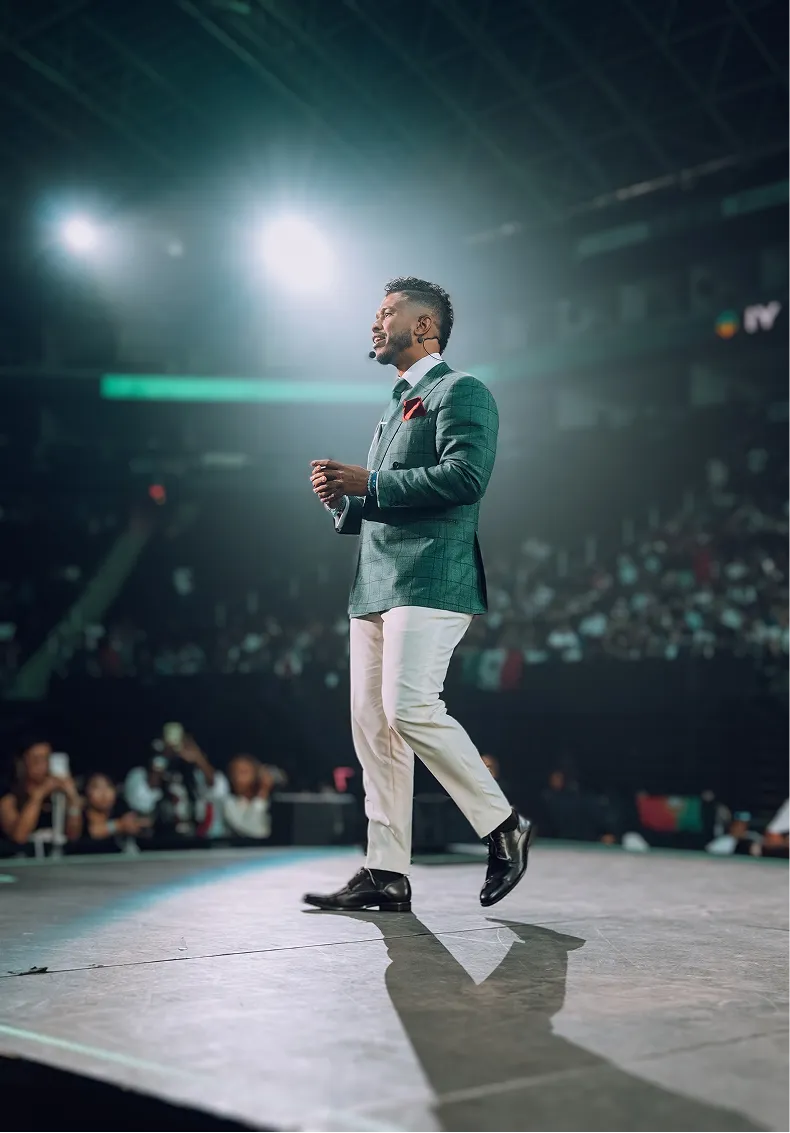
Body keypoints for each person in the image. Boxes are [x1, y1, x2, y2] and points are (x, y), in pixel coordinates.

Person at [306, 277, 532, 912]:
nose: (375, 324)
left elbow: (466, 477)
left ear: (425, 327)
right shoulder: (392, 406)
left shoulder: (462, 391)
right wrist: (347, 500)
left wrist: (369, 481)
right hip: (375, 580)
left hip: (433, 575)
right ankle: (386, 871)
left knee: (408, 708)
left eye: (387, 314)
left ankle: (503, 823)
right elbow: (383, 497)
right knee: (373, 729)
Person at [0, 739, 83, 848]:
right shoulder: (9, 801)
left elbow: (73, 836)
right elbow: (19, 837)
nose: (42, 765)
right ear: (23, 763)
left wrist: (72, 796)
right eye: (36, 760)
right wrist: (39, 795)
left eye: (46, 759)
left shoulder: (58, 798)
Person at [218, 754, 276, 840]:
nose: (237, 778)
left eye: (244, 772)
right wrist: (262, 794)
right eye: (234, 773)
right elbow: (256, 832)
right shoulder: (229, 804)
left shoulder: (273, 801)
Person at [83, 772, 149, 846]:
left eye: (108, 786)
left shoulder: (120, 808)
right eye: (96, 787)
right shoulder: (80, 814)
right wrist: (119, 825)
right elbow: (92, 832)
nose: (104, 793)